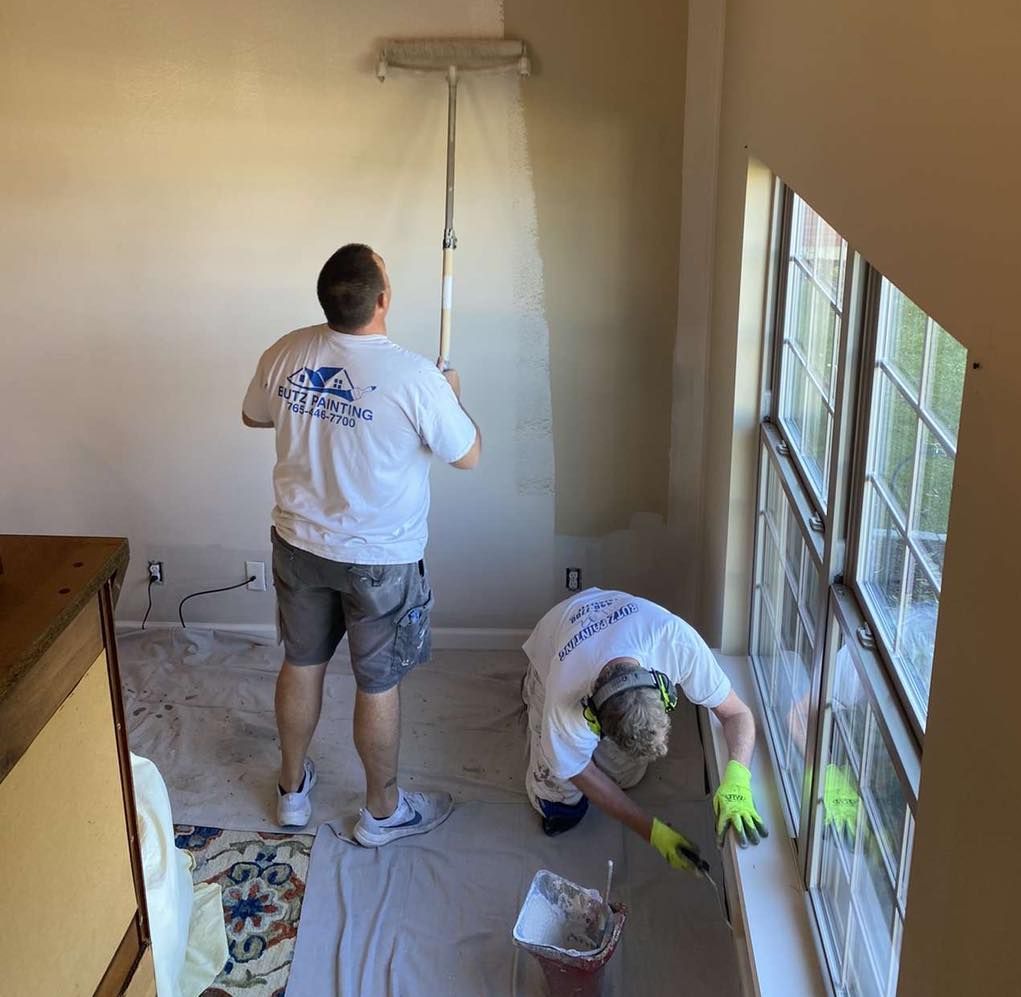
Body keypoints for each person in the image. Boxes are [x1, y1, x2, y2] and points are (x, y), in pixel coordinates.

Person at [242, 243, 480, 845]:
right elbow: (468, 455)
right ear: (382, 300)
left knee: (301, 663)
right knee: (378, 683)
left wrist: (314, 412)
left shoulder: (288, 350)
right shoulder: (416, 377)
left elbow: (252, 415)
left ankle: (292, 793)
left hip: (299, 546)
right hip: (379, 560)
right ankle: (381, 813)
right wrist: (452, 396)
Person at [521, 587, 767, 870]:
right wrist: (651, 831)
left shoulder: (675, 641)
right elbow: (578, 770)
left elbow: (737, 713)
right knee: (560, 807)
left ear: (662, 688)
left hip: (614, 624)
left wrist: (737, 777)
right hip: (553, 642)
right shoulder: (565, 696)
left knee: (627, 777)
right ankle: (530, 689)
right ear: (592, 715)